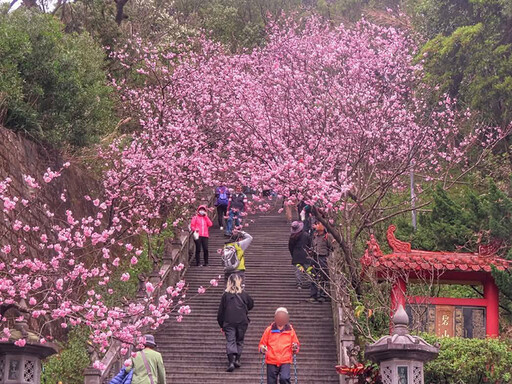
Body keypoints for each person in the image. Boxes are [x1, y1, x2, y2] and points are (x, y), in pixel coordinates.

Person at [217, 274, 255, 372]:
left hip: (229, 321)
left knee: (230, 340)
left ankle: (231, 362)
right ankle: (237, 358)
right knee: (239, 340)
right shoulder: (244, 294)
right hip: (242, 321)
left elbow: (221, 312)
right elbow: (251, 304)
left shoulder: (225, 295)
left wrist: (221, 324)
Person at [259, 307, 300, 384]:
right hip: (271, 359)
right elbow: (262, 344)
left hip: (285, 360)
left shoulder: (290, 330)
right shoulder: (269, 330)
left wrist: (295, 348)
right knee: (271, 382)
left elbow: (296, 343)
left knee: (284, 378)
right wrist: (262, 349)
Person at [309, 222, 333, 303]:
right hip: (314, 257)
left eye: (319, 224)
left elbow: (332, 247)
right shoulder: (314, 235)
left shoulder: (327, 236)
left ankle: (323, 295)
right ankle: (313, 295)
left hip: (323, 258)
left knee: (323, 277)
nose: (317, 225)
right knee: (313, 276)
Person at [288, 221, 311, 289]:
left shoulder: (292, 237)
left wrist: (293, 254)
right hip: (305, 254)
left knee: (297, 271)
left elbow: (290, 247)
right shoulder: (306, 235)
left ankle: (299, 284)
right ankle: (310, 282)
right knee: (308, 269)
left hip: (296, 255)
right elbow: (309, 244)